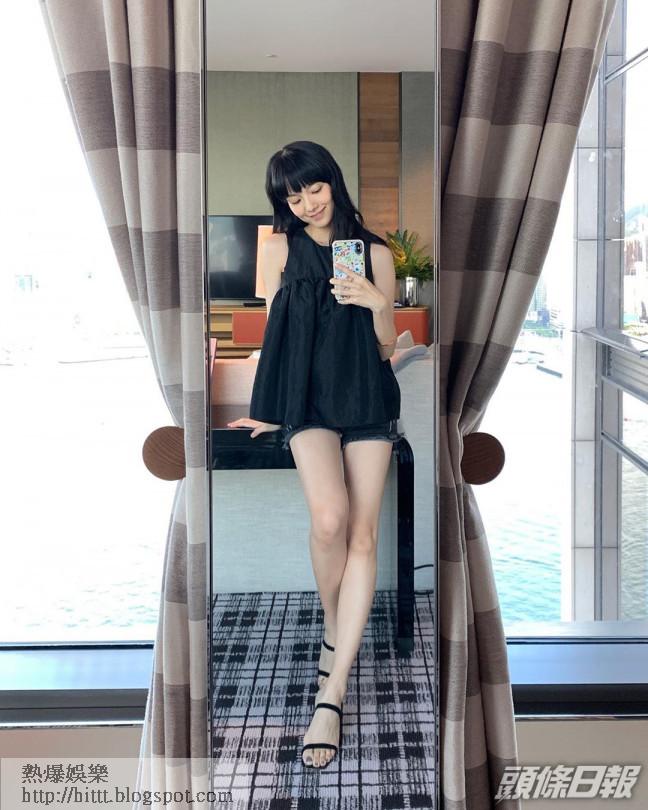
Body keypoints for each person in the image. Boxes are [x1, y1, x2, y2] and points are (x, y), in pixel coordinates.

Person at [227, 140, 403, 769]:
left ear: (334, 181)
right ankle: (336, 625)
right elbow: (277, 332)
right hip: (306, 401)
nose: (307, 203)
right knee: (329, 519)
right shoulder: (277, 250)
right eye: (293, 196)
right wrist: (268, 404)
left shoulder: (375, 252)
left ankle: (333, 691)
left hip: (366, 396)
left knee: (363, 535)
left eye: (314, 188)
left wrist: (378, 304)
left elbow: (385, 347)